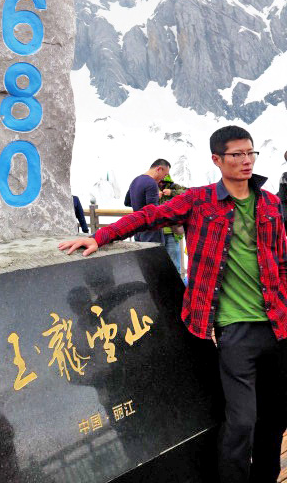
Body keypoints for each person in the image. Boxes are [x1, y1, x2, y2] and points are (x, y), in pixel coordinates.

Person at [60, 125, 287, 483]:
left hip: (278, 325)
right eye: (237, 155)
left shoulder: (270, 202)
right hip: (234, 329)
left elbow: (281, 258)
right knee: (242, 420)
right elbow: (147, 216)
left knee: (275, 416)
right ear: (217, 159)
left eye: (250, 153)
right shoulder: (200, 201)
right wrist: (100, 236)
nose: (246, 161)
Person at [123, 158, 171, 243]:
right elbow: (152, 211)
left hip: (137, 229)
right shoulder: (152, 183)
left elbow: (127, 202)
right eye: (165, 174)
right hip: (151, 231)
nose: (164, 178)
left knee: (140, 256)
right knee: (154, 256)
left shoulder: (135, 180)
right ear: (159, 169)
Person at [158, 173, 186, 275]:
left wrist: (172, 192)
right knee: (158, 265)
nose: (161, 184)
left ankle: (177, 288)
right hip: (156, 233)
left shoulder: (174, 186)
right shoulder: (151, 188)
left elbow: (187, 192)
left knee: (174, 264)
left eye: (163, 182)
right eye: (159, 182)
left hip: (172, 232)